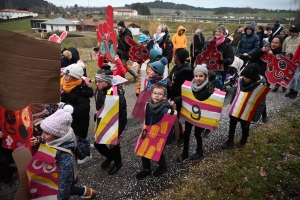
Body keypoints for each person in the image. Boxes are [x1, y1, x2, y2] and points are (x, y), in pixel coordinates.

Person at [40, 109, 96, 199]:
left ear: (57, 136)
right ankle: (87, 192)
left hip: (60, 180)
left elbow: (64, 185)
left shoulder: (65, 156)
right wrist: (38, 140)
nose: (42, 135)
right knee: (69, 188)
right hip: (55, 175)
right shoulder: (59, 139)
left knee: (67, 189)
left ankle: (88, 192)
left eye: (46, 133)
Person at [222, 63, 267, 149]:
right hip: (236, 108)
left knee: (245, 126)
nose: (245, 79)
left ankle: (244, 139)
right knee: (232, 124)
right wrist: (232, 105)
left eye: (247, 78)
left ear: (253, 78)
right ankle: (230, 141)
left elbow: (261, 103)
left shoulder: (260, 86)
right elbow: (235, 93)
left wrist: (255, 117)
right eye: (244, 77)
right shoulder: (240, 81)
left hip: (247, 111)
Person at [177, 64, 214, 162]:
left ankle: (199, 151)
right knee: (187, 133)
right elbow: (186, 97)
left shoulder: (209, 88)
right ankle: (185, 152)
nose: (198, 78)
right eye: (196, 76)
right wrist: (176, 100)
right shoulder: (190, 85)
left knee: (197, 134)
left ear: (205, 76)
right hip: (190, 113)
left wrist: (215, 93)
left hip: (200, 116)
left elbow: (211, 102)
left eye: (201, 76)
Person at [94, 67, 127, 175]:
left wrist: (119, 130)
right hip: (102, 121)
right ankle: (110, 157)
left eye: (100, 81)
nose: (97, 84)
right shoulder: (99, 91)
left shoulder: (116, 95)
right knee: (98, 143)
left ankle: (118, 163)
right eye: (96, 81)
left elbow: (122, 115)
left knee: (113, 145)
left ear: (108, 81)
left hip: (115, 124)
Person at [60, 64, 94, 164]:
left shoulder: (80, 90)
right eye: (64, 74)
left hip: (80, 119)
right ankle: (85, 144)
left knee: (79, 135)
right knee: (73, 135)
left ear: (74, 77)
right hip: (71, 117)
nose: (64, 76)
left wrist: (71, 108)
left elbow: (84, 108)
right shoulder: (67, 85)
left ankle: (86, 155)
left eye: (67, 74)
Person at [136, 84, 171, 180]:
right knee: (143, 151)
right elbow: (146, 119)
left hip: (159, 135)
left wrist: (168, 141)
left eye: (160, 94)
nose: (156, 95)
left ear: (164, 97)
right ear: (151, 94)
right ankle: (146, 169)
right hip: (147, 132)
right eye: (155, 93)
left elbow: (169, 127)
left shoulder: (165, 111)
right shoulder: (148, 105)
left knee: (157, 152)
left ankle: (163, 166)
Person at [250, 35, 285, 122]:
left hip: (267, 79)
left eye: (276, 43)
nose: (273, 44)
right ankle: (252, 113)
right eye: (273, 42)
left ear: (280, 44)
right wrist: (261, 50)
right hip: (256, 75)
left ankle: (264, 115)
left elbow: (279, 69)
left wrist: (273, 56)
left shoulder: (281, 55)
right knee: (253, 95)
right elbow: (252, 59)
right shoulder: (265, 50)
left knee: (261, 97)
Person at [167, 48, 194, 145]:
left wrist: (171, 85)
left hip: (180, 98)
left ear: (178, 57)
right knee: (173, 116)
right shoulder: (176, 67)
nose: (173, 57)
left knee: (174, 116)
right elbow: (170, 78)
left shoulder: (186, 71)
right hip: (173, 95)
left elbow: (182, 89)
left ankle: (181, 135)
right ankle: (176, 133)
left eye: (174, 56)